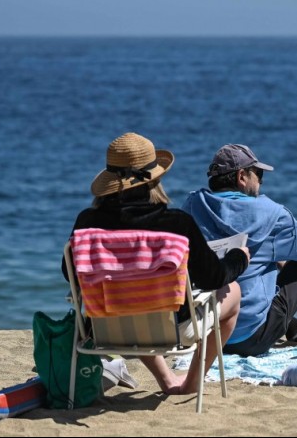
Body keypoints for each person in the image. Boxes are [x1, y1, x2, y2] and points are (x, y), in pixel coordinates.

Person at [64, 132, 249, 395]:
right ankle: (191, 383)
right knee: (233, 292)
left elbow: (68, 273)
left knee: (132, 295)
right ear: (155, 178)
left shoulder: (87, 223)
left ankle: (166, 379)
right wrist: (238, 258)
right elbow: (214, 278)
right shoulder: (175, 225)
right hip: (169, 330)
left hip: (104, 327)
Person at [181, 144, 297, 357]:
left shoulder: (193, 205)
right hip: (249, 339)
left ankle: (291, 325)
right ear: (242, 176)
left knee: (264, 265)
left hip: (203, 331)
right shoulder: (273, 216)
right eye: (259, 174)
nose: (261, 181)